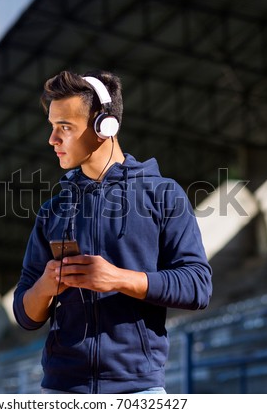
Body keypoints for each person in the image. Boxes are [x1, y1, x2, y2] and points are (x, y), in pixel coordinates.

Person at [13, 69, 212, 394]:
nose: (52, 139)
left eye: (64, 127)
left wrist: (119, 278)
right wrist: (46, 285)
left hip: (138, 392)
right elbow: (25, 313)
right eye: (52, 127)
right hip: (60, 391)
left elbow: (198, 286)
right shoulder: (53, 210)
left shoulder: (163, 195)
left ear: (105, 126)